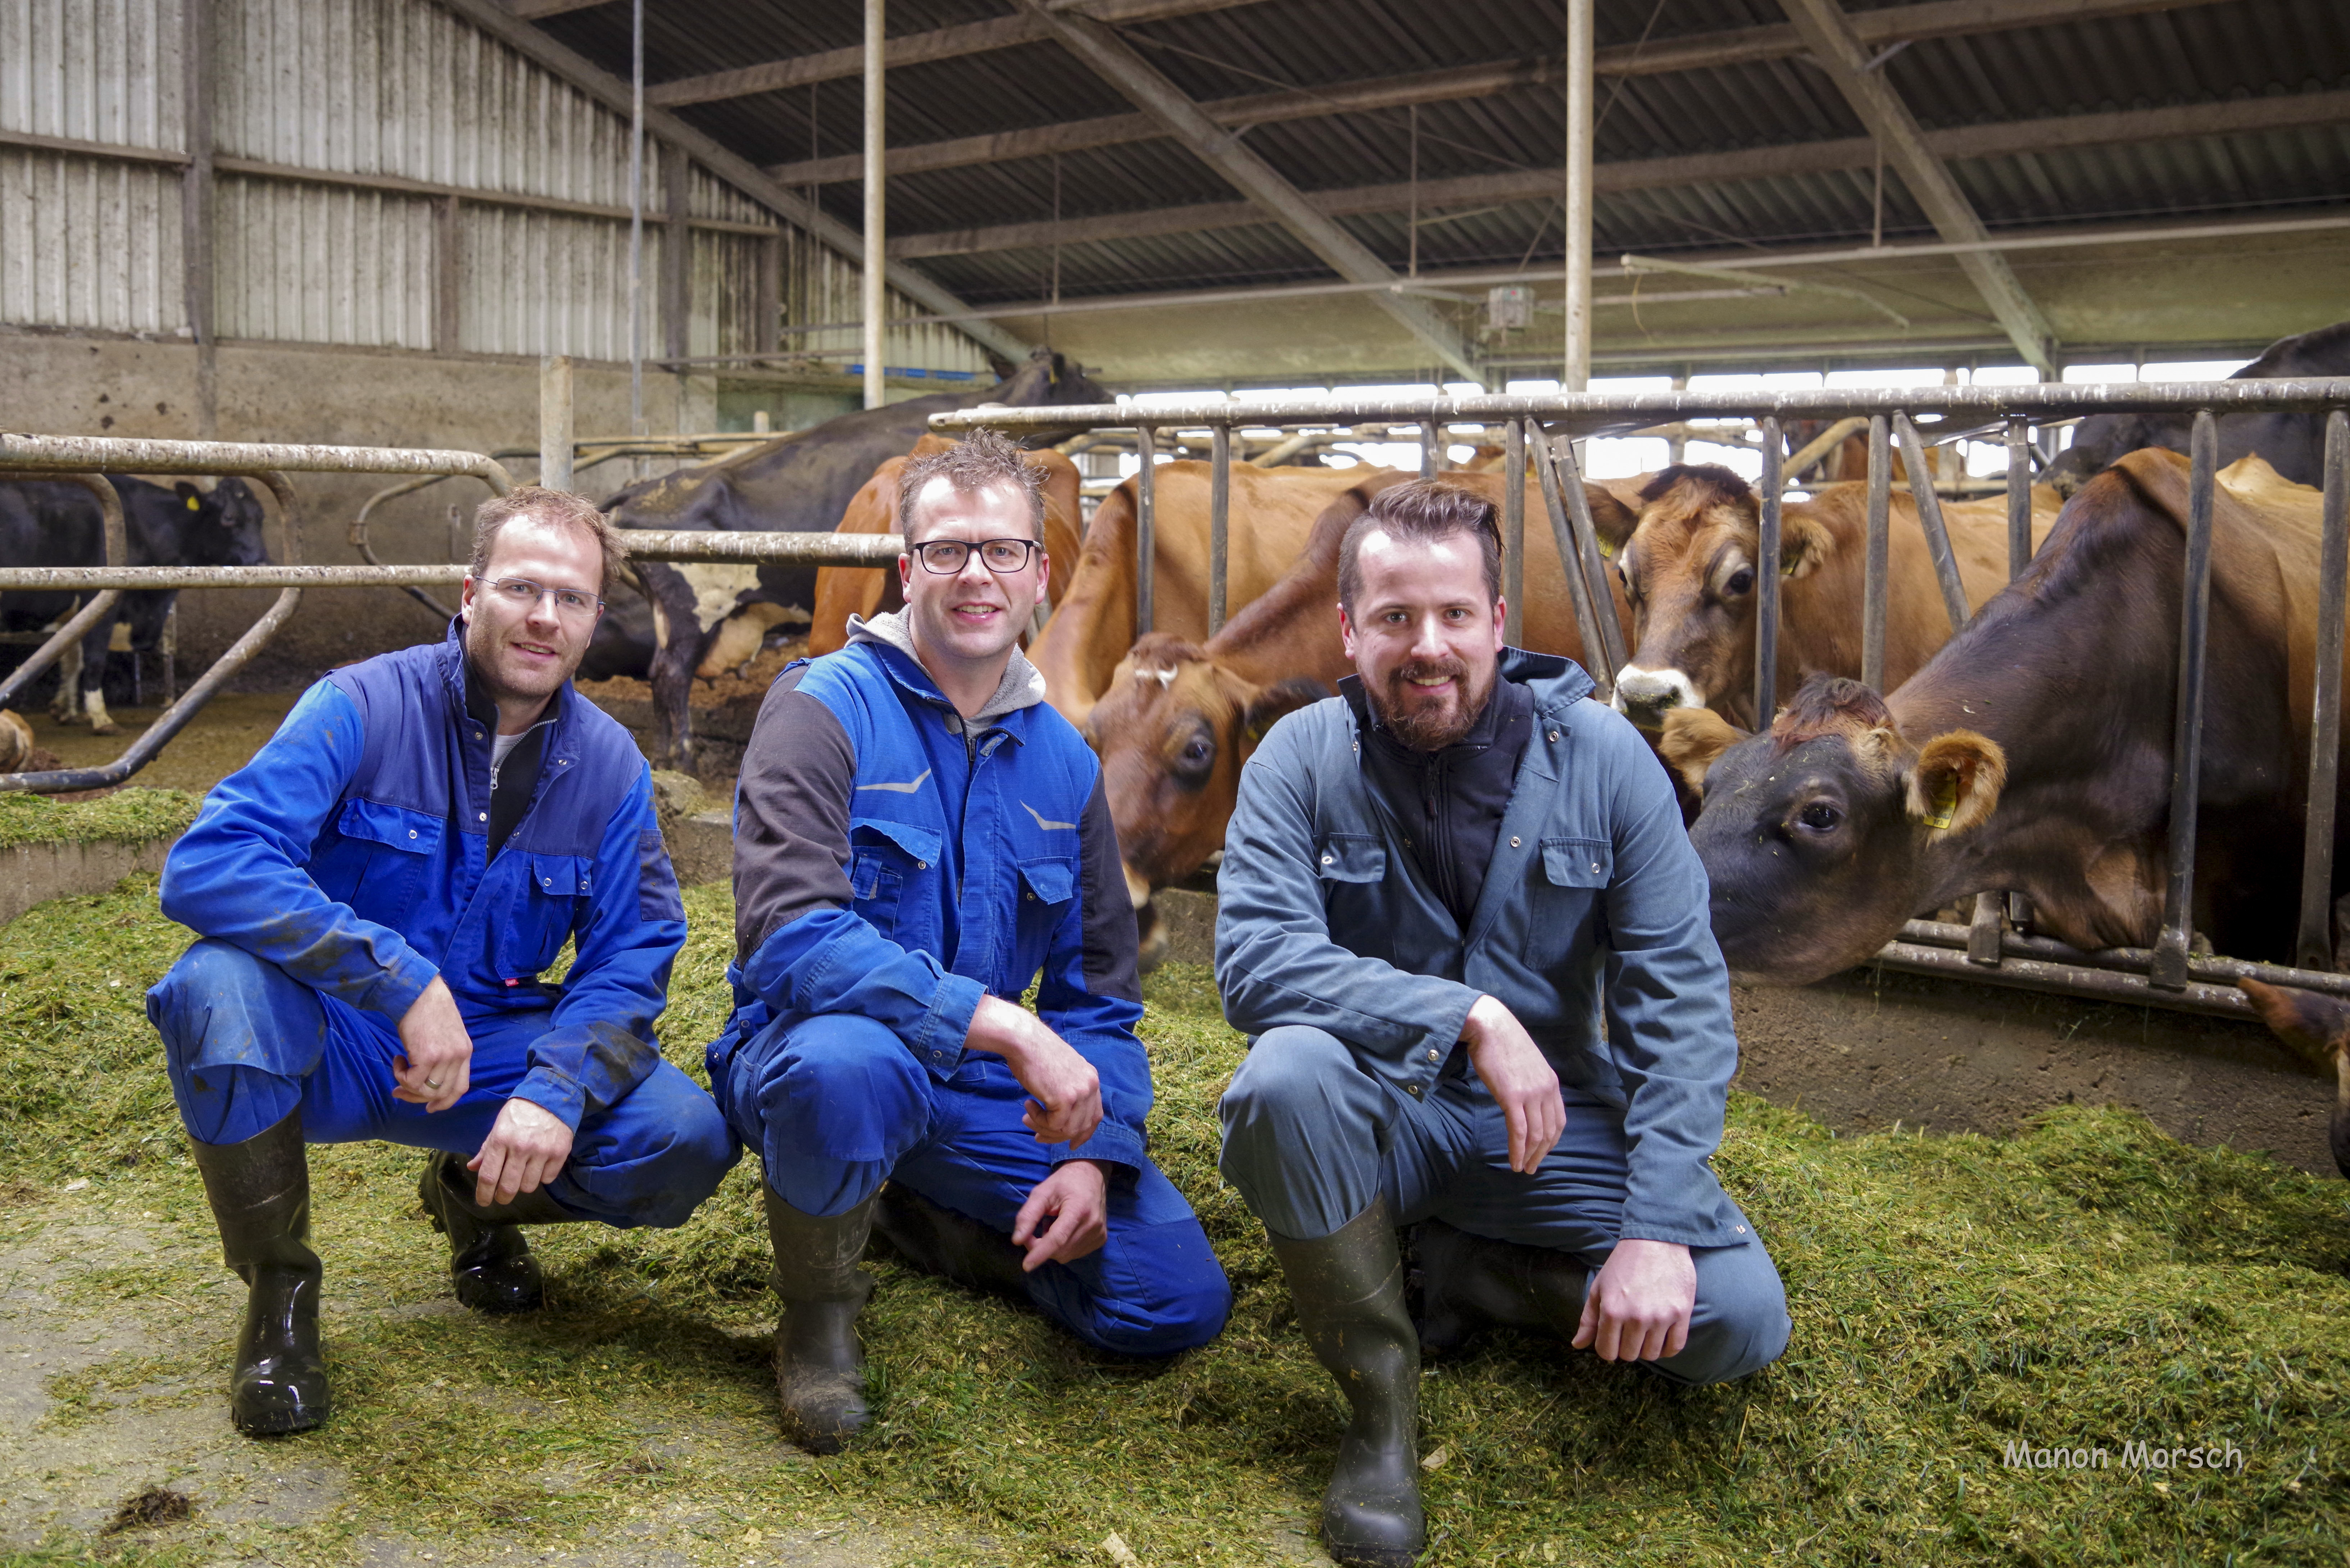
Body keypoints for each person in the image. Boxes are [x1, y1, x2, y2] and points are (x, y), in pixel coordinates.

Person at [1213, 480, 1791, 1567]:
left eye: (1451, 616)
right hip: (1379, 1116)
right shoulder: (1299, 758)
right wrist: (1463, 1012)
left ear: (1494, 622)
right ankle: (1380, 1406)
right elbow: (1251, 964)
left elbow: (1681, 1002)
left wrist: (1657, 1226)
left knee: (1737, 1321)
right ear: (1350, 629)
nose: (1424, 646)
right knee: (1281, 1082)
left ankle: (1469, 1272)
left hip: (1551, 1130)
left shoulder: (1607, 761)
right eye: (1392, 618)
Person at [148, 486, 735, 1437]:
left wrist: (557, 1089)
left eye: (573, 599)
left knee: (684, 1139)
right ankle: (280, 1298)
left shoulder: (612, 769)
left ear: (594, 622)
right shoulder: (359, 706)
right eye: (522, 587)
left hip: (493, 1050)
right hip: (331, 1038)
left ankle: (475, 1199)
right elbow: (210, 864)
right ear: (470, 594)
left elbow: (634, 954)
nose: (545, 617)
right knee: (216, 989)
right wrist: (398, 977)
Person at [706, 429, 1231, 1454]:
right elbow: (786, 937)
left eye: (1003, 551)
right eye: (947, 550)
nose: (975, 576)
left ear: (1040, 573)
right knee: (847, 1068)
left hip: (976, 1086)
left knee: (1169, 1301)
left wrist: (1096, 1155)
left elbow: (1097, 1003)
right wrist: (1001, 1026)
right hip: (812, 1048)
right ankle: (818, 1318)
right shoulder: (820, 709)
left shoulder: (1066, 767)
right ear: (907, 569)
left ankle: (916, 1209)